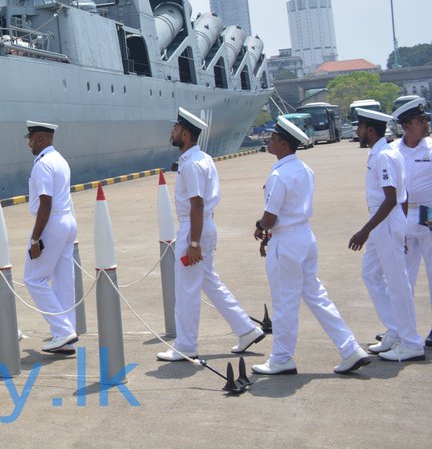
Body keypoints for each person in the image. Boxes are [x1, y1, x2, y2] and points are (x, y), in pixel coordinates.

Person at [250, 116, 371, 375]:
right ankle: (350, 349)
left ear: (283, 144)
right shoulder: (305, 169)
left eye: (273, 138)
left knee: (284, 302)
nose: (269, 141)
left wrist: (260, 226)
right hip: (305, 236)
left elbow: (270, 217)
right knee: (317, 297)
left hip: (287, 241)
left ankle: (282, 358)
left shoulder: (279, 174)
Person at [157, 107, 264, 361]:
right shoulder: (202, 158)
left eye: (175, 128)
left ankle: (186, 345)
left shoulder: (192, 164)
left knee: (186, 290)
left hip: (194, 228)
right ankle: (246, 329)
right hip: (204, 226)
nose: (171, 132)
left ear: (185, 132)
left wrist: (193, 242)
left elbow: (196, 204)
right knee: (209, 281)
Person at [349, 108, 424, 361]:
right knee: (370, 273)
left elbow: (391, 198)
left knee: (398, 282)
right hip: (386, 223)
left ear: (370, 129)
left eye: (359, 127)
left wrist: (364, 231)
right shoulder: (383, 152)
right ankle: (395, 329)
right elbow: (400, 196)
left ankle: (411, 342)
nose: (356, 132)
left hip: (385, 223)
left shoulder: (384, 155)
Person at [22, 119, 79, 353]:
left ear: (41, 139)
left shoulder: (43, 164)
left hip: (51, 222)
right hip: (67, 220)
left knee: (33, 279)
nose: (29, 145)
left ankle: (63, 330)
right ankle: (65, 335)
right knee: (64, 280)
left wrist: (36, 238)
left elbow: (45, 202)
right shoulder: (61, 160)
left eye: (31, 140)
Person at [390, 97, 432, 348]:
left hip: (429, 213)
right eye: (420, 121)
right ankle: (400, 328)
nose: (426, 124)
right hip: (402, 215)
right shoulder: (393, 151)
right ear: (406, 126)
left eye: (425, 119)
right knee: (403, 275)